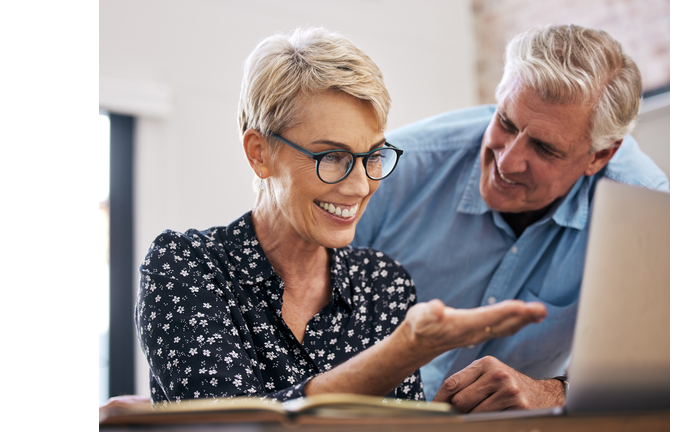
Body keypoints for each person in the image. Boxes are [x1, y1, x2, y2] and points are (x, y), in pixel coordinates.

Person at [134, 27, 547, 406]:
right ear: (259, 153)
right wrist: (400, 353)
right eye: (333, 157)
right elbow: (231, 423)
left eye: (372, 156)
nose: (359, 186)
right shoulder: (186, 264)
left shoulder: (384, 283)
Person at [352, 24, 670, 412]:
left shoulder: (643, 207)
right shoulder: (392, 168)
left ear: (599, 156)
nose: (508, 160)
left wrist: (552, 392)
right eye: (506, 122)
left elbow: (661, 369)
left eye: (544, 148)